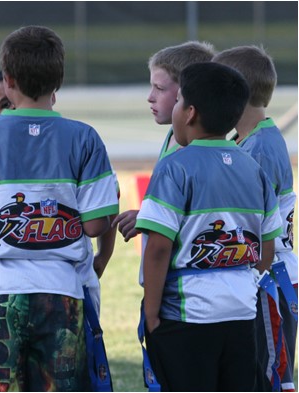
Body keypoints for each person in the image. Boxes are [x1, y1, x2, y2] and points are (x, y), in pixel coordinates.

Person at [0, 26, 118, 391]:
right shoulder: (84, 138)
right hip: (63, 292)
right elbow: (94, 225)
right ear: (59, 80)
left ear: (7, 81)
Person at [136, 61, 281, 391]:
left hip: (188, 317)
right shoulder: (252, 167)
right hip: (242, 313)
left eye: (177, 101)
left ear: (189, 113)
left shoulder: (175, 168)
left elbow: (158, 249)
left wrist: (152, 313)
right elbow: (268, 247)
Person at [214, 45, 296, 392]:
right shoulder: (251, 139)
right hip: (266, 278)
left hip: (268, 281)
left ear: (237, 94)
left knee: (270, 379)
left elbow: (248, 224)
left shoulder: (258, 149)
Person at [113, 41, 215, 240]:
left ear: (187, 92)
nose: (150, 97)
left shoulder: (193, 152)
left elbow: (199, 222)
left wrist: (146, 219)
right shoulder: (174, 135)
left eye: (159, 88)